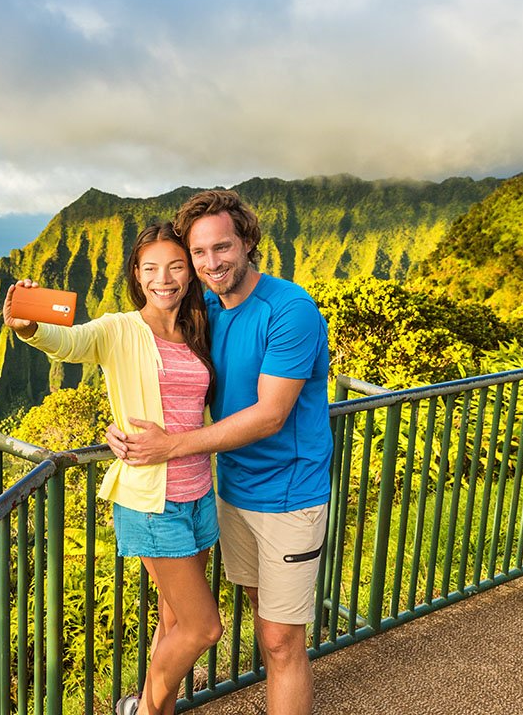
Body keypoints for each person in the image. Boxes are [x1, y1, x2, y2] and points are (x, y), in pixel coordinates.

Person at [107, 190, 331, 715]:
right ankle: (149, 709)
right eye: (199, 254)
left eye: (222, 248)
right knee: (205, 615)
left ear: (248, 242)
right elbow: (152, 368)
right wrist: (119, 428)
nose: (211, 264)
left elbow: (271, 414)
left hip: (289, 492)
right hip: (228, 490)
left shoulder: (289, 309)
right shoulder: (202, 307)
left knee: (279, 639)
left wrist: (169, 447)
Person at [2, 222, 222, 715]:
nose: (163, 278)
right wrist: (29, 325)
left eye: (175, 266)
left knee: (173, 620)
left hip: (200, 495)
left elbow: (193, 409)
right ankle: (145, 711)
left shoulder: (198, 326)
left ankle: (145, 709)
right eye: (150, 269)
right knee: (204, 626)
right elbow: (70, 342)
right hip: (150, 501)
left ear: (189, 273)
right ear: (137, 276)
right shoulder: (119, 328)